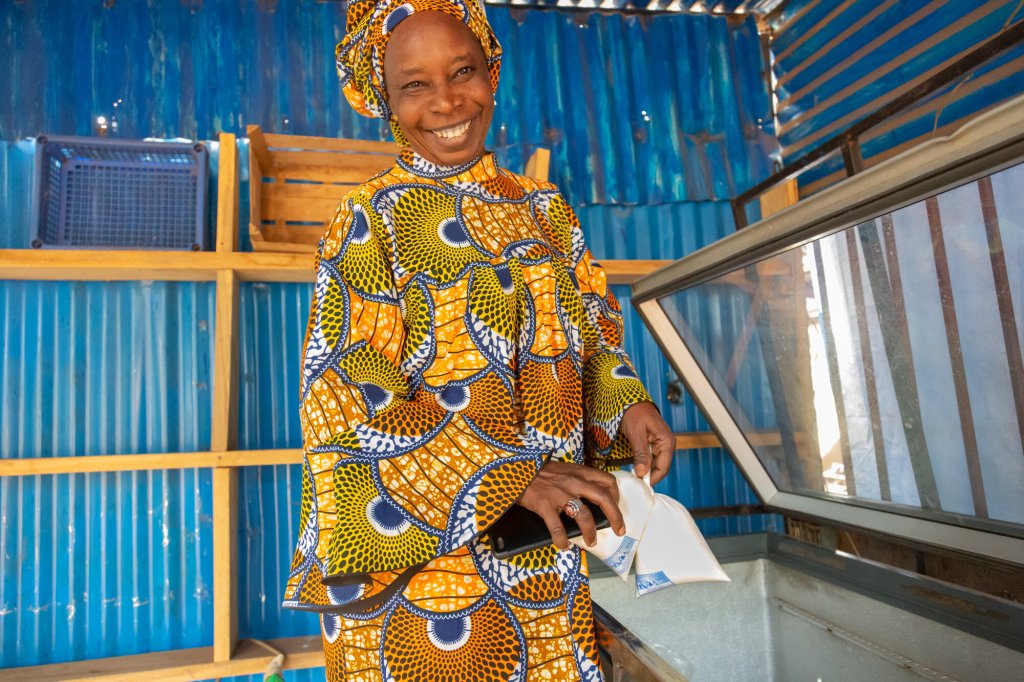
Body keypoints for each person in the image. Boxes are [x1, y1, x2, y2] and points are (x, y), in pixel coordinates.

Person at [282, 0, 675, 678]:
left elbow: (594, 332)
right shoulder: (371, 216)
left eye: (463, 70)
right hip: (426, 583)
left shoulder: (545, 210)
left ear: (492, 72)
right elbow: (343, 391)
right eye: (415, 84)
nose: (446, 101)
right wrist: (502, 472)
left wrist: (627, 404)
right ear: (384, 99)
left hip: (541, 546)